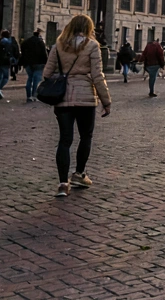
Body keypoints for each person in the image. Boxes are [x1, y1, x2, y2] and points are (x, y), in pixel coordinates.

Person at [43, 15, 111, 198]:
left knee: (65, 140)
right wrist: (106, 101)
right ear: (89, 28)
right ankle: (80, 174)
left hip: (63, 97)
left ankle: (63, 184)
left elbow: (47, 73)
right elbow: (97, 75)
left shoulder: (59, 44)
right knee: (85, 136)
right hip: (85, 98)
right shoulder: (92, 46)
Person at [20, 28, 48, 103]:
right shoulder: (40, 42)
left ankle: (29, 96)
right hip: (39, 63)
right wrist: (46, 62)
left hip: (28, 63)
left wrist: (23, 62)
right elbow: (44, 53)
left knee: (30, 79)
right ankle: (34, 96)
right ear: (38, 35)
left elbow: (23, 52)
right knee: (37, 80)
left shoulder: (26, 42)